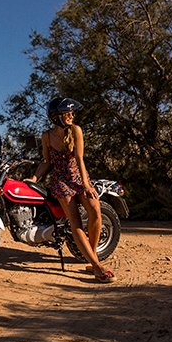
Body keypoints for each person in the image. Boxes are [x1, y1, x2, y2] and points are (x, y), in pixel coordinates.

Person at [27, 97, 115, 283]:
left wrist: (86, 184)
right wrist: (34, 178)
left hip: (78, 179)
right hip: (60, 182)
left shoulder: (76, 130)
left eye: (71, 113)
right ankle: (97, 266)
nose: (71, 116)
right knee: (75, 223)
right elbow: (46, 161)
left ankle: (92, 259)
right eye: (67, 113)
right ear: (56, 116)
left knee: (96, 211)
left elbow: (80, 158)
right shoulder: (47, 136)